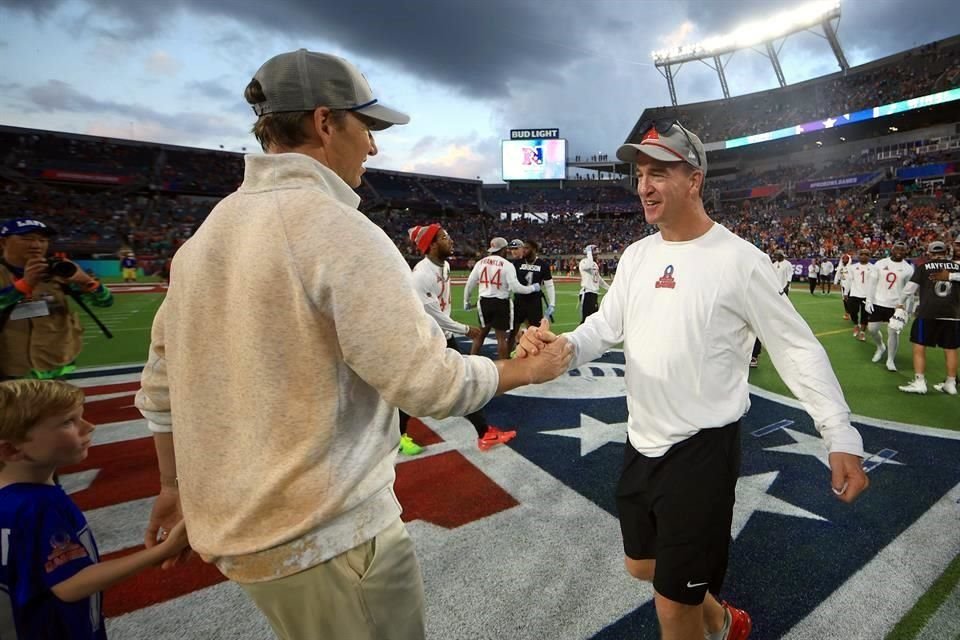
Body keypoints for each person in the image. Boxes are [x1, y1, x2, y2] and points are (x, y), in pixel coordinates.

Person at [134, 49, 572, 640]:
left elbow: (160, 390)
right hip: (326, 531)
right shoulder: (337, 227)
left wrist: (173, 487)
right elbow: (429, 383)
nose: (373, 147)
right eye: (366, 126)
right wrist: (530, 372)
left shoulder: (205, 236)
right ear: (324, 122)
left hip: (244, 530)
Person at [517, 120, 867, 640]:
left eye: (658, 172)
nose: (644, 187)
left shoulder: (740, 261)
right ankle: (724, 621)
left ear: (695, 179)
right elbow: (603, 328)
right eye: (639, 174)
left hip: (703, 450)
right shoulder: (637, 257)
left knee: (672, 609)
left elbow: (797, 349)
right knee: (643, 566)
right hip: (642, 439)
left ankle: (707, 620)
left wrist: (839, 433)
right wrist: (564, 346)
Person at [0, 379, 189, 639]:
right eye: (68, 422)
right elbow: (70, 584)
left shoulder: (12, 500)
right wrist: (163, 551)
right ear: (11, 449)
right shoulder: (38, 506)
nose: (90, 426)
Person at [400, 224, 516, 454]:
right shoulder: (421, 275)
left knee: (461, 382)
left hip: (442, 336)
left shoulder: (444, 265)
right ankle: (397, 436)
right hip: (425, 339)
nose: (450, 240)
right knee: (415, 388)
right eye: (444, 237)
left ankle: (484, 433)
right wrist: (464, 329)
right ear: (431, 245)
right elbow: (432, 313)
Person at [0, 218, 114, 380]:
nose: (36, 245)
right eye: (27, 239)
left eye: (43, 240)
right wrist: (24, 285)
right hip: (9, 367)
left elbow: (106, 302)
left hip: (54, 364)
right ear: (3, 242)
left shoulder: (57, 271)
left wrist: (88, 282)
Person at [896, 240, 960, 395]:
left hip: (928, 312)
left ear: (930, 253)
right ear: (946, 252)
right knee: (951, 348)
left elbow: (909, 289)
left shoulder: (924, 267)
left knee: (919, 345)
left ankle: (920, 382)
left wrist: (900, 303)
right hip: (953, 313)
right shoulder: (957, 267)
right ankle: (951, 383)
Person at [464, 237, 540, 360]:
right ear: (504, 249)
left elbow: (470, 284)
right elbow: (516, 288)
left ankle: (471, 362)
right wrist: (533, 288)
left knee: (480, 334)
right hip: (501, 303)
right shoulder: (507, 265)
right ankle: (504, 367)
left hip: (484, 302)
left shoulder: (480, 262)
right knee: (501, 338)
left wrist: (466, 301)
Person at [865, 241, 914, 371]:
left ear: (906, 252)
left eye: (902, 250)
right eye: (897, 249)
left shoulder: (908, 269)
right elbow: (872, 283)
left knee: (893, 332)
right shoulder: (880, 264)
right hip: (879, 302)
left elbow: (909, 291)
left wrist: (908, 310)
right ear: (891, 250)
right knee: (872, 329)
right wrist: (869, 300)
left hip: (896, 305)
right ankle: (880, 346)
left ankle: (890, 359)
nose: (899, 252)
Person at [510, 239, 556, 352]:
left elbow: (549, 285)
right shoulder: (517, 263)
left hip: (534, 302)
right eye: (523, 248)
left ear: (534, 249)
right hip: (518, 300)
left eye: (527, 248)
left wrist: (552, 304)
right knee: (512, 332)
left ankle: (534, 357)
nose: (523, 250)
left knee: (536, 333)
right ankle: (508, 358)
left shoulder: (543, 265)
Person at [848, 248, 875, 341]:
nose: (864, 256)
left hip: (867, 295)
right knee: (852, 311)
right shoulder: (853, 267)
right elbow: (849, 280)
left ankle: (862, 332)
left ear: (869, 256)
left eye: (866, 254)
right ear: (858, 256)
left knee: (865, 315)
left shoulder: (873, 268)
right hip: (854, 293)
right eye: (862, 254)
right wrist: (846, 292)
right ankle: (856, 325)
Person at [578, 244, 609, 323]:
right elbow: (589, 265)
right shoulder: (584, 262)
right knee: (585, 321)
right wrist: (589, 253)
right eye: (595, 254)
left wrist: (609, 288)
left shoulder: (594, 264)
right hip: (587, 293)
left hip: (594, 294)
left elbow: (598, 279)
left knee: (594, 321)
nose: (597, 255)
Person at [834, 253, 852, 320]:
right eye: (843, 259)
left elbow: (851, 278)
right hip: (843, 286)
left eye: (846, 259)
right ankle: (847, 313)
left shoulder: (850, 268)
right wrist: (835, 282)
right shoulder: (840, 267)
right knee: (844, 300)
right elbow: (837, 274)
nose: (844, 260)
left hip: (850, 287)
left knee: (849, 301)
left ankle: (851, 313)